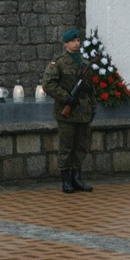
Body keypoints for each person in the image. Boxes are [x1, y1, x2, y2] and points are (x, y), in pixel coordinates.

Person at [42, 28, 96, 193]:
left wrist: (93, 108)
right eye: (72, 41)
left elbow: (91, 90)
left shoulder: (85, 64)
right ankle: (66, 180)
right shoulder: (58, 63)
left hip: (83, 112)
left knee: (81, 147)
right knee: (66, 147)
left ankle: (77, 178)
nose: (76, 44)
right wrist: (66, 98)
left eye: (78, 41)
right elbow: (48, 84)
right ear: (65, 43)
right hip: (67, 112)